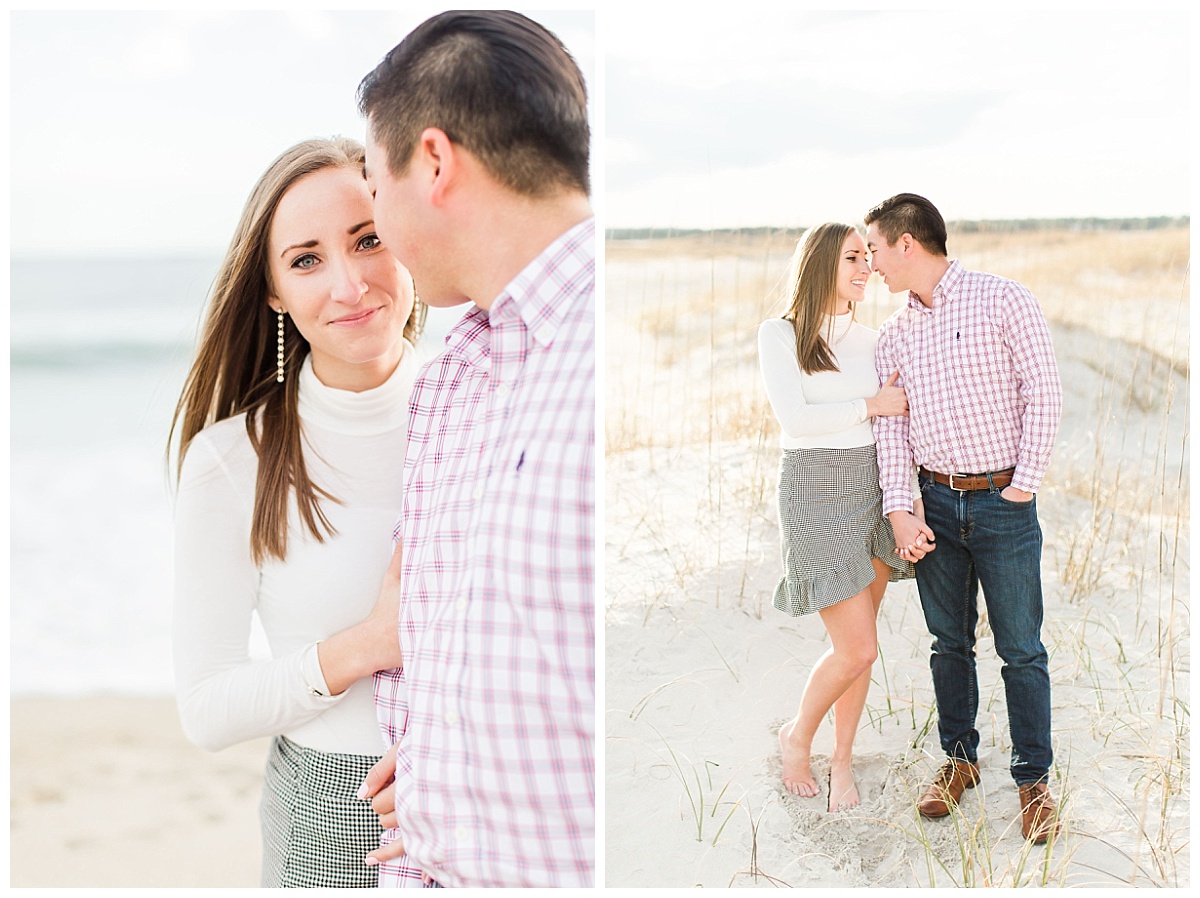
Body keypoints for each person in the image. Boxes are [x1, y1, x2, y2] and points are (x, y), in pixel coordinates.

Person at [352, 10, 595, 888]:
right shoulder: (458, 369)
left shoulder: (600, 360)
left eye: (375, 183)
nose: (376, 213)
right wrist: (441, 780)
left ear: (435, 163)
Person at [169, 136, 429, 887]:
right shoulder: (230, 461)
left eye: (369, 239)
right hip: (330, 808)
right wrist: (367, 645)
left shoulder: (489, 414)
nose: (350, 285)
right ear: (274, 291)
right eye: (307, 259)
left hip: (492, 791)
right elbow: (206, 708)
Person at [866, 193, 1063, 843]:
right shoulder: (893, 333)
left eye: (876, 249)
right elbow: (891, 430)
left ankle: (1033, 780)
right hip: (934, 508)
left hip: (1002, 502)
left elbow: (1045, 392)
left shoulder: (1004, 300)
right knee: (949, 644)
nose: (873, 265)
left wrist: (1022, 488)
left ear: (907, 244)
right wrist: (899, 507)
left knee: (1021, 650)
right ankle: (959, 761)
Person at [758, 222, 916, 812]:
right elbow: (796, 420)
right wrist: (870, 405)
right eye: (854, 257)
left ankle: (841, 757)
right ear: (823, 262)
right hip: (815, 494)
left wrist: (907, 500)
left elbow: (897, 424)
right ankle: (797, 736)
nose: (867, 268)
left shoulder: (875, 340)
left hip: (871, 487)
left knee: (866, 642)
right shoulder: (781, 335)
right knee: (856, 649)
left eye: (869, 257)